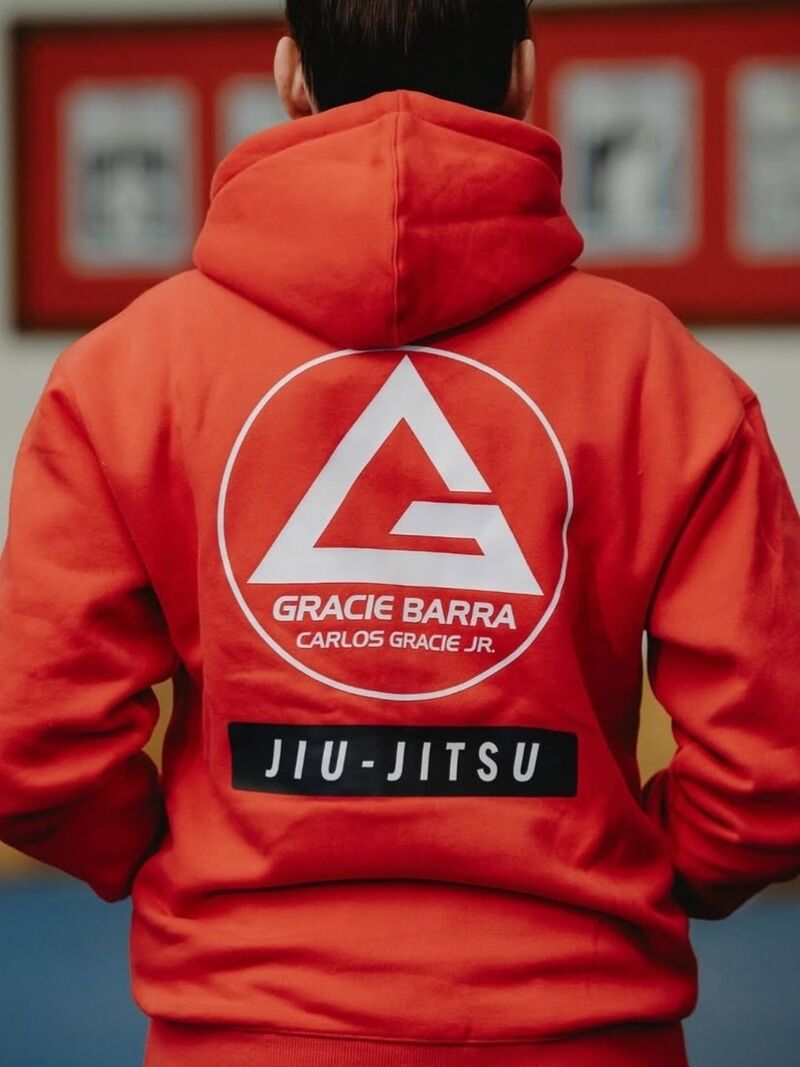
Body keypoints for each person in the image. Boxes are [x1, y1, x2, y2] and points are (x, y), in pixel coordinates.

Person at [1, 2, 799, 1065]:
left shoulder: (124, 372)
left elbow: (32, 747)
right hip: (580, 1025)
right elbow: (770, 770)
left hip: (243, 1026)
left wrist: (185, 855)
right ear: (522, 79)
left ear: (289, 76)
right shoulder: (663, 376)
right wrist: (626, 869)